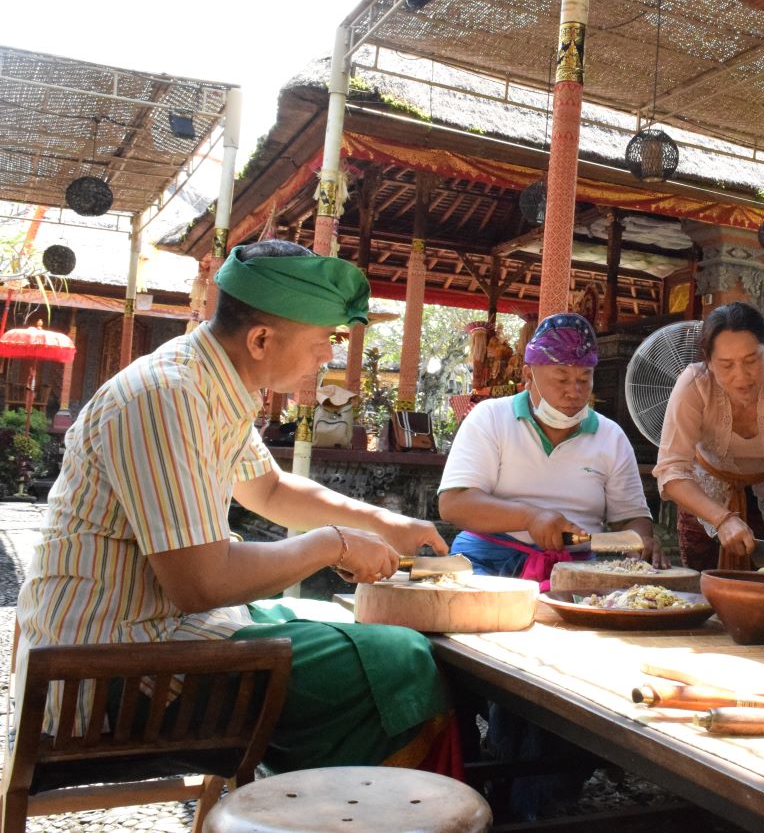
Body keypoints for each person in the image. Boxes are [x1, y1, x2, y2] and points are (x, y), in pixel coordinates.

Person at [17, 240, 461, 776]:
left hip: (163, 637)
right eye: (325, 340)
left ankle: (314, 801)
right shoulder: (167, 395)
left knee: (362, 637)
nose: (328, 357)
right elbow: (201, 583)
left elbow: (270, 490)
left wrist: (387, 523)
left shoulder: (212, 383)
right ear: (260, 338)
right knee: (398, 662)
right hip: (113, 674)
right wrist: (330, 544)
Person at [438, 312, 659, 584]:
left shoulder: (610, 436)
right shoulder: (490, 417)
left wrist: (639, 543)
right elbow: (453, 504)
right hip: (486, 562)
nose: (574, 391)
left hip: (576, 572)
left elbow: (631, 520)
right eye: (562, 379)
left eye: (584, 378)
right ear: (528, 374)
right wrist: (531, 518)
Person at [654, 302, 764, 572]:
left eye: (751, 361)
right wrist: (721, 520)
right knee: (703, 592)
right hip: (703, 498)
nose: (741, 376)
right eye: (726, 365)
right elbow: (672, 469)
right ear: (708, 362)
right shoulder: (693, 385)